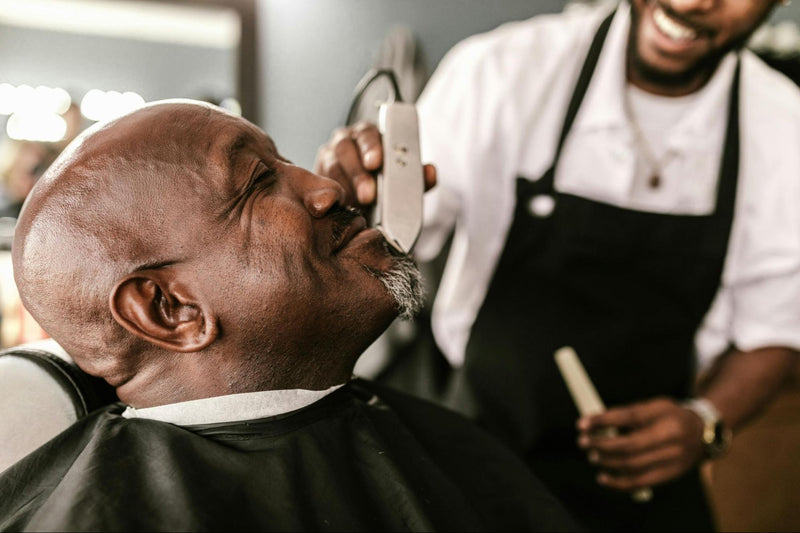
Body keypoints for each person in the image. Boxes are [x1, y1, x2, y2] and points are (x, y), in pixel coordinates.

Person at [315, 0, 800, 531]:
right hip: (470, 453)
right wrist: (354, 197)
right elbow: (401, 234)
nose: (694, 2)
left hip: (640, 489)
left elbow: (774, 328)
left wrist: (706, 420)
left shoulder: (784, 130)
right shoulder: (500, 70)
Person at [0, 101, 579, 532]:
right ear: (169, 309)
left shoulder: (399, 427)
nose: (327, 186)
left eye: (288, 161)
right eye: (257, 182)